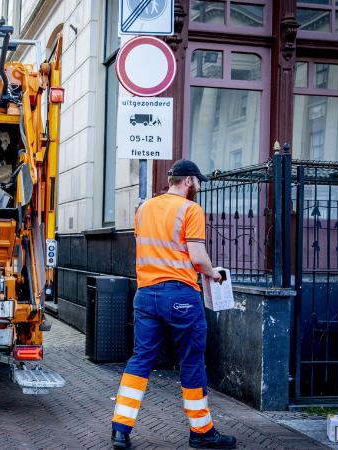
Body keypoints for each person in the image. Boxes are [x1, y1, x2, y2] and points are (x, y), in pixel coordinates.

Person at [110, 160, 237, 449]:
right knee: (191, 361)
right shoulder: (191, 210)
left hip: (145, 295)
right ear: (189, 181)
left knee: (140, 359)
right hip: (181, 295)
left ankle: (121, 429)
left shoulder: (144, 209)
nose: (200, 187)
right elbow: (197, 257)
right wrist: (214, 273)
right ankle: (201, 432)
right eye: (198, 181)